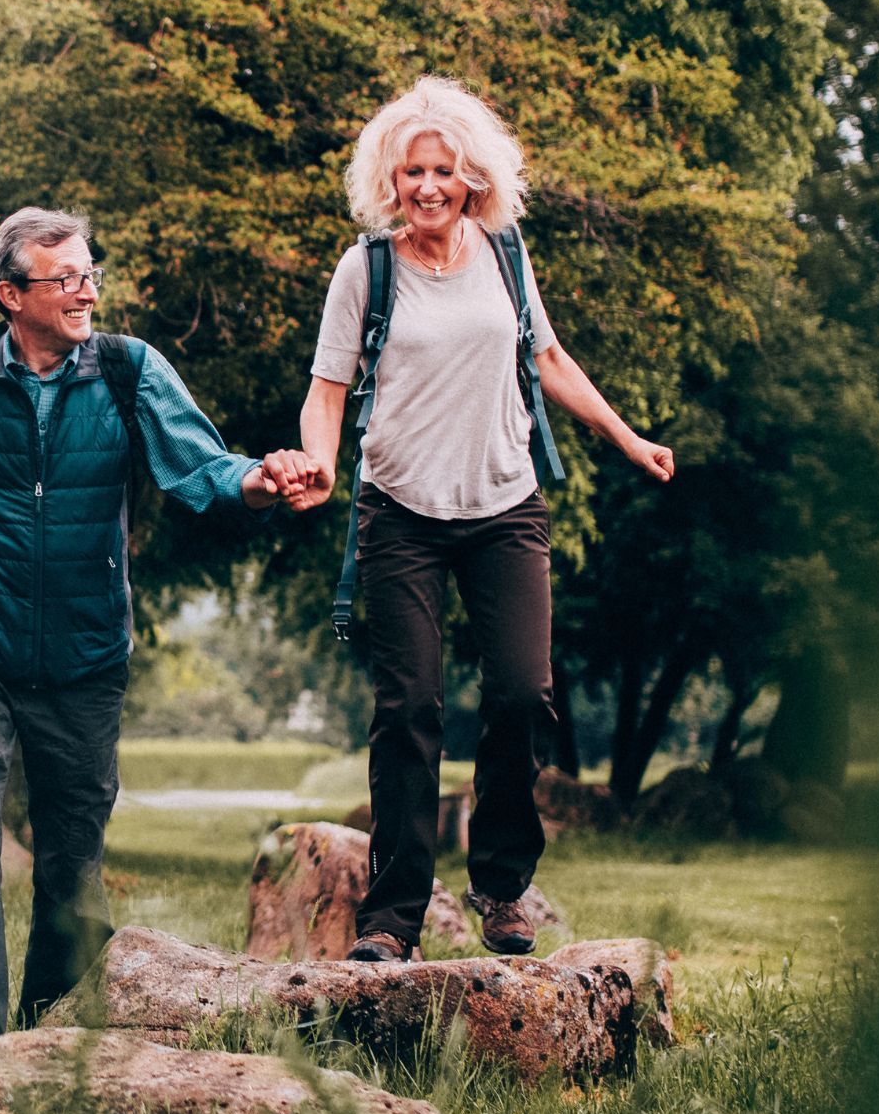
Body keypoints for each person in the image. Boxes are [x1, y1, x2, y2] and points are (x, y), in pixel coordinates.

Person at [0, 208, 317, 1056]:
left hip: (85, 655)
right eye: (65, 278)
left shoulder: (126, 370)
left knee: (73, 857)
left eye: (90, 273)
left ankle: (52, 1031)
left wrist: (266, 479)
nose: (86, 291)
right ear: (11, 295)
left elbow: (202, 470)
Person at [286, 76, 674, 962]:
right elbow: (327, 391)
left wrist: (624, 435)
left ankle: (501, 887)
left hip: (504, 504)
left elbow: (548, 357)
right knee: (410, 707)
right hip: (400, 514)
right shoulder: (366, 267)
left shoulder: (505, 253)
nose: (428, 187)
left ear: (474, 178)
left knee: (521, 694)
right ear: (391, 179)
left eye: (445, 171)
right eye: (413, 171)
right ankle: (391, 920)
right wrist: (317, 461)